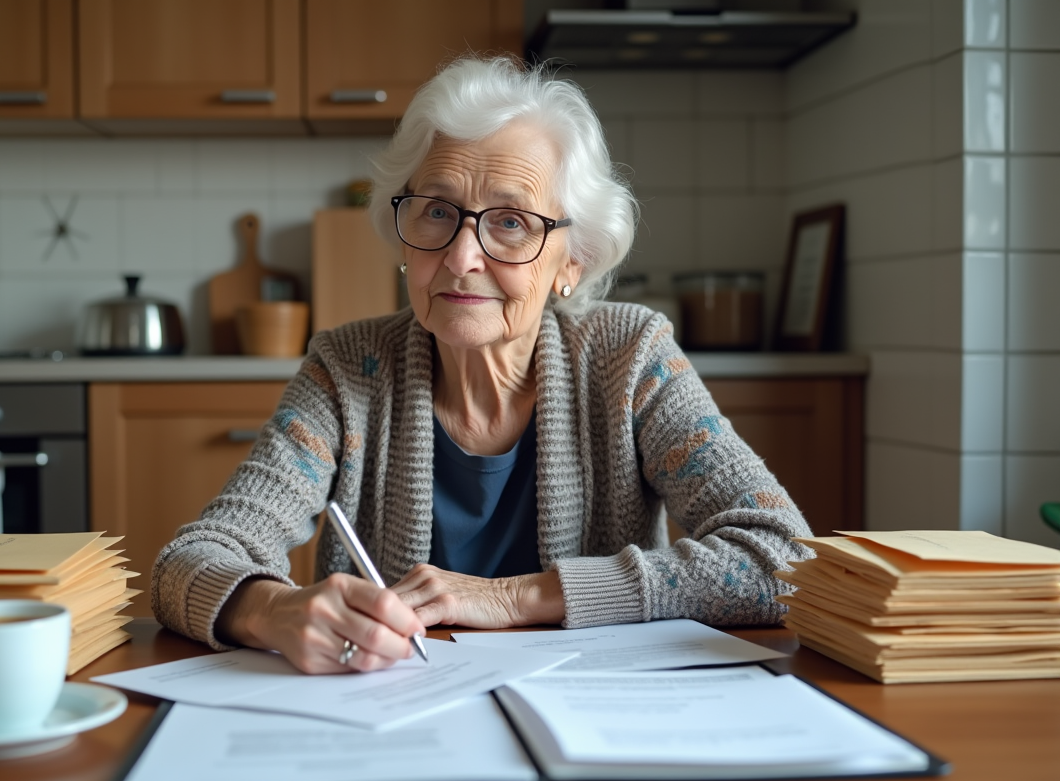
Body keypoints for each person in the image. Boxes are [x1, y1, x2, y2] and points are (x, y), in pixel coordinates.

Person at [152, 56, 813, 675]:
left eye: (511, 223)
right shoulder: (349, 370)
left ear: (572, 260)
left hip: (592, 712)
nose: (463, 255)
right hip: (400, 720)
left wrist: (515, 598)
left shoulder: (629, 358)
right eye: (438, 212)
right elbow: (188, 562)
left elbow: (784, 558)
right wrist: (269, 610)